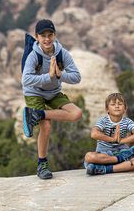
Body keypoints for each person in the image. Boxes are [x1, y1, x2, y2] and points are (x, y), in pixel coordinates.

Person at [22, 19, 83, 180]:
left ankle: (37, 114)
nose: (47, 39)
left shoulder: (62, 53)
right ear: (37, 37)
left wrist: (59, 75)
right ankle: (42, 165)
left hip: (54, 93)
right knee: (46, 127)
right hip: (34, 93)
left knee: (76, 114)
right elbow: (25, 80)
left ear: (55, 35)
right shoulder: (34, 55)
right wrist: (48, 77)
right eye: (43, 36)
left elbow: (77, 77)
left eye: (50, 35)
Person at [84, 92, 134, 175]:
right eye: (113, 104)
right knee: (89, 157)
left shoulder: (127, 121)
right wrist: (112, 139)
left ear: (125, 108)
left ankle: (104, 169)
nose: (117, 106)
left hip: (122, 151)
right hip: (104, 155)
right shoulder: (103, 121)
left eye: (120, 104)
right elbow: (94, 134)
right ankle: (121, 158)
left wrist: (122, 141)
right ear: (107, 109)